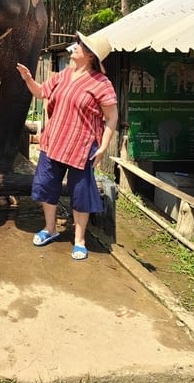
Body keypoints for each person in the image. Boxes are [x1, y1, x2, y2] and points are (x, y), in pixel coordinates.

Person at [16, 31, 118, 260]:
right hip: (54, 142)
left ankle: (79, 240)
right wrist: (28, 79)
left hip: (82, 147)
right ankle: (50, 229)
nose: (75, 47)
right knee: (46, 186)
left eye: (80, 46)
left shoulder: (101, 84)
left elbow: (112, 117)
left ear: (90, 56)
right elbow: (42, 92)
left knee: (81, 193)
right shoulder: (63, 75)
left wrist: (103, 146)